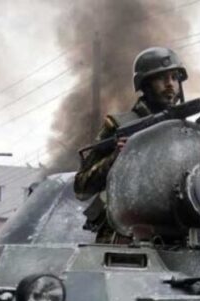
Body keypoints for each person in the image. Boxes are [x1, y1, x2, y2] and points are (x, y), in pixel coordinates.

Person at [74, 46, 188, 242]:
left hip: (175, 233)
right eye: (162, 78)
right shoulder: (121, 125)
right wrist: (116, 157)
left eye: (174, 77)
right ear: (146, 85)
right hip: (125, 235)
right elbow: (82, 187)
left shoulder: (185, 133)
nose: (170, 84)